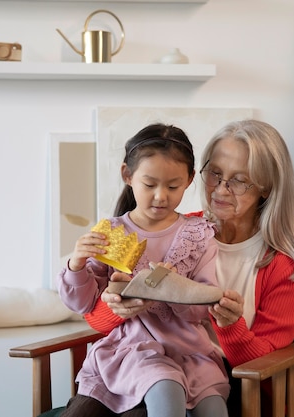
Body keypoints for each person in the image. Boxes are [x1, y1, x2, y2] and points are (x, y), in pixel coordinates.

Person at [87, 119, 294, 415]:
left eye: (239, 180)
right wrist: (118, 307)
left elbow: (263, 361)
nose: (221, 189)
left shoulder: (286, 262)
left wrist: (230, 326)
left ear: (266, 188)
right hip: (157, 366)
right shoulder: (185, 232)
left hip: (235, 383)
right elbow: (96, 320)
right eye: (215, 173)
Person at [55, 123, 230, 417]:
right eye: (150, 185)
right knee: (165, 384)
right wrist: (77, 264)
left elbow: (201, 307)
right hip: (129, 350)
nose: (161, 196)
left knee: (213, 406)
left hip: (189, 352)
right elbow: (82, 304)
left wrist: (172, 288)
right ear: (128, 175)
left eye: (173, 186)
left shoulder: (198, 235)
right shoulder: (110, 233)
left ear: (189, 180)